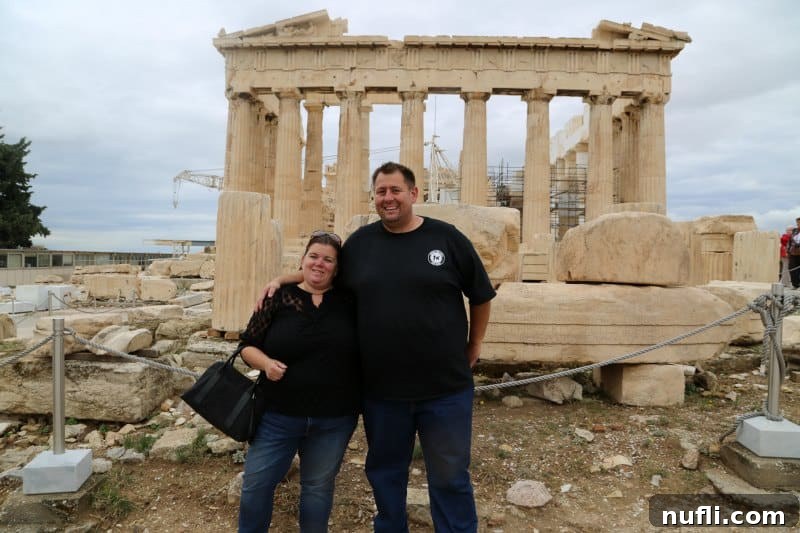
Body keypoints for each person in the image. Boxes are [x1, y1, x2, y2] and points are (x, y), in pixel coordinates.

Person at [262, 161, 495, 533]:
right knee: (386, 474)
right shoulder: (360, 244)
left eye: (396, 190)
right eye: (381, 191)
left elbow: (480, 294)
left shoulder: (447, 238)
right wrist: (284, 278)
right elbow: (324, 275)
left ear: (414, 193)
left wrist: (476, 342)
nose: (388, 198)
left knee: (450, 475)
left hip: (445, 389)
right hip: (382, 392)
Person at [238, 231, 360, 533]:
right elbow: (247, 346)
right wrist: (266, 364)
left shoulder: (350, 300)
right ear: (302, 259)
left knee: (318, 489)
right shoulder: (277, 297)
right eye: (313, 256)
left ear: (337, 267)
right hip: (277, 415)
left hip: (335, 418)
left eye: (328, 259)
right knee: (256, 485)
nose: (319, 264)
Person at [788, 217, 800, 289]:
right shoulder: (795, 230)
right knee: (791, 268)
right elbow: (790, 241)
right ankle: (795, 284)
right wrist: (788, 250)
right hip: (793, 252)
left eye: (799, 223)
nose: (798, 224)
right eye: (797, 223)